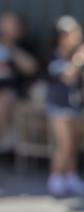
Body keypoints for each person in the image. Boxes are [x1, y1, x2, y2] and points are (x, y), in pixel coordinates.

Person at [44, 16, 84, 197]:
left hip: (74, 104)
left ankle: (71, 177)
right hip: (58, 105)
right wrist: (80, 57)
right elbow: (67, 75)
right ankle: (56, 177)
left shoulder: (74, 55)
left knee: (73, 143)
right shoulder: (55, 56)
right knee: (64, 144)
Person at [0, 12, 38, 150]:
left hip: (13, 89)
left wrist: (11, 47)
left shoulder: (25, 44)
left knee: (3, 102)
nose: (6, 28)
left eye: (11, 24)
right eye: (4, 24)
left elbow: (31, 68)